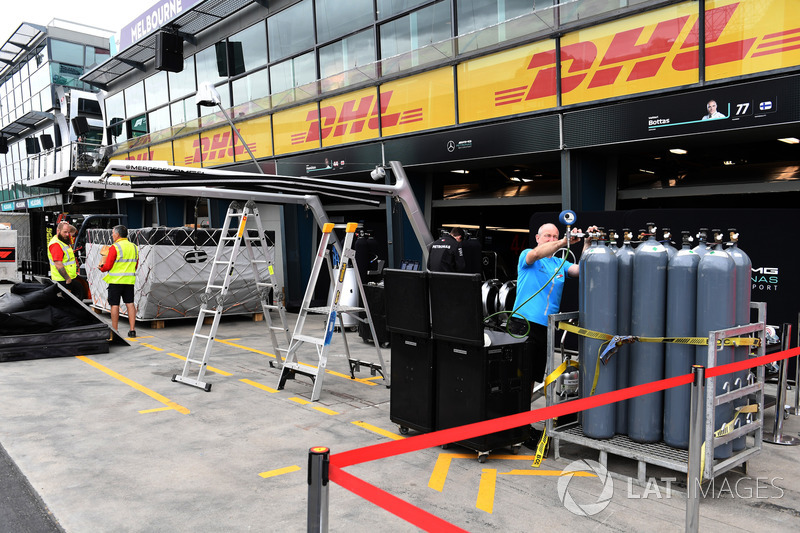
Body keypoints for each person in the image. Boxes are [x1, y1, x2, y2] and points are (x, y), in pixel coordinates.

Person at [99, 225, 139, 338]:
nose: (112, 235)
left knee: (114, 305)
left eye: (112, 233)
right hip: (129, 281)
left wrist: (102, 268)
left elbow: (108, 265)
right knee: (130, 303)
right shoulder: (134, 247)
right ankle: (132, 330)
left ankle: (115, 330)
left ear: (117, 234)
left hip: (116, 281)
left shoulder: (115, 247)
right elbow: (135, 265)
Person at [47, 221, 80, 296]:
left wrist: (66, 225)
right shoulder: (56, 244)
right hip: (63, 280)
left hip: (66, 279)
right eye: (65, 232)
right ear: (58, 231)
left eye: (68, 232)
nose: (67, 234)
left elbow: (74, 230)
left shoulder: (62, 240)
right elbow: (58, 264)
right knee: (65, 302)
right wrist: (67, 278)